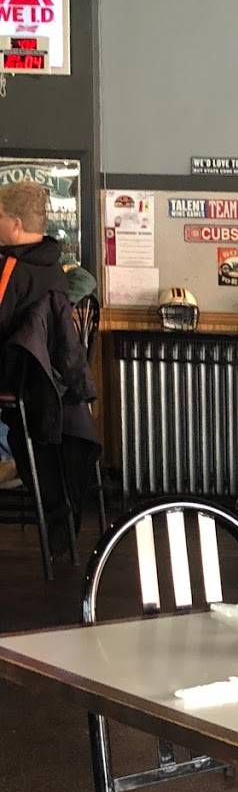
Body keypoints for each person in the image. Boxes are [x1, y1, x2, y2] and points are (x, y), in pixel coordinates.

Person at [0, 180, 99, 549]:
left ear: (14, 224)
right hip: (45, 382)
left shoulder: (12, 268)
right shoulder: (52, 266)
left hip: (17, 377)